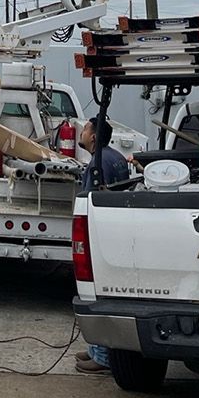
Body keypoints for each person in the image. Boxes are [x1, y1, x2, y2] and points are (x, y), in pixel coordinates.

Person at [75, 118, 130, 373]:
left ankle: (103, 358)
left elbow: (93, 201)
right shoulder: (117, 157)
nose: (82, 132)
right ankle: (95, 350)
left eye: (86, 128)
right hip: (117, 234)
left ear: (94, 137)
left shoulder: (99, 163)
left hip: (101, 236)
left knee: (97, 295)